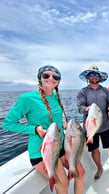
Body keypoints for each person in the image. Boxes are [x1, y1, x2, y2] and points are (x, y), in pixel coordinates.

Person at [2, 65, 85, 194]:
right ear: (40, 78)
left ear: (59, 80)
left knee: (81, 173)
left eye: (55, 76)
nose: (51, 78)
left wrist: (63, 123)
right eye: (46, 75)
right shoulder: (27, 98)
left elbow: (54, 119)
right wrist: (35, 129)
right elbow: (7, 124)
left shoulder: (57, 97)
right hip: (42, 151)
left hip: (61, 146)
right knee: (62, 184)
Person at [77, 65, 109, 179]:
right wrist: (87, 109)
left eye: (97, 75)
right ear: (88, 76)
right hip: (91, 127)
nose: (94, 77)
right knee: (95, 149)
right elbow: (80, 108)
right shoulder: (82, 92)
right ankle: (99, 168)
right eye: (92, 75)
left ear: (100, 77)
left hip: (106, 125)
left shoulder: (106, 91)